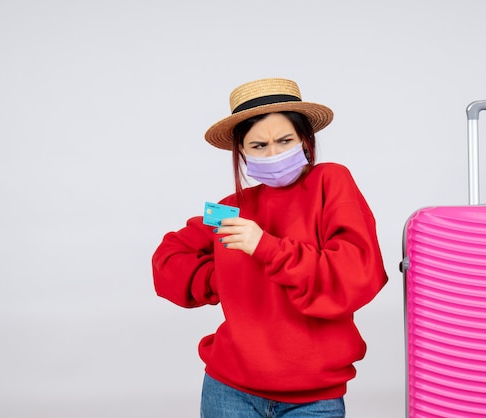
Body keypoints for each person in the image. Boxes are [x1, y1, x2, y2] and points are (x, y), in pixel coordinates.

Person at [152, 78, 388, 418]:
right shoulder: (230, 208)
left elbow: (356, 275)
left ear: (305, 140)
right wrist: (225, 278)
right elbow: (167, 258)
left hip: (313, 398)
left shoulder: (331, 181)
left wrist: (264, 247)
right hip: (227, 390)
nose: (274, 153)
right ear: (242, 152)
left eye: (285, 140)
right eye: (259, 145)